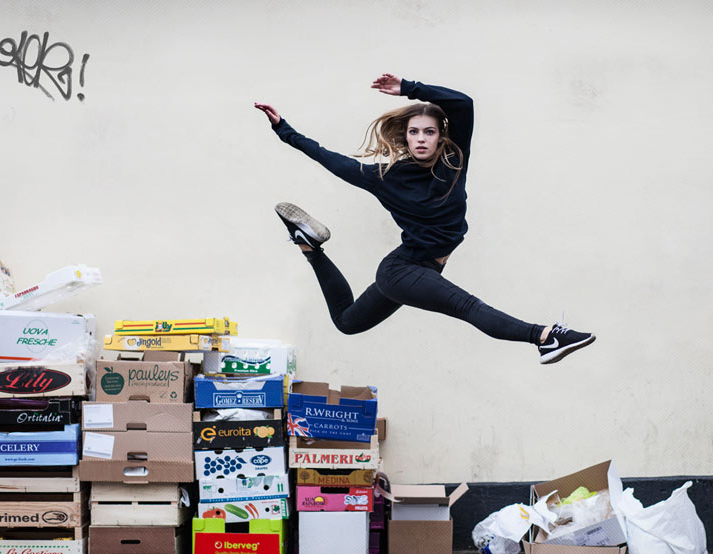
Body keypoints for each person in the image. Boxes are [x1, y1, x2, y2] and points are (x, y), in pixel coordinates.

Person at [254, 74, 595, 364]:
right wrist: (284, 129)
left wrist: (409, 87)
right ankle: (547, 336)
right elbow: (329, 158)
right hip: (402, 271)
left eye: (428, 132)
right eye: (414, 132)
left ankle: (309, 246)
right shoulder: (383, 176)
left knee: (347, 321)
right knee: (467, 306)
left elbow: (463, 104)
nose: (421, 138)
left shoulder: (453, 159)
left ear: (440, 137)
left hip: (420, 267)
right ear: (405, 137)